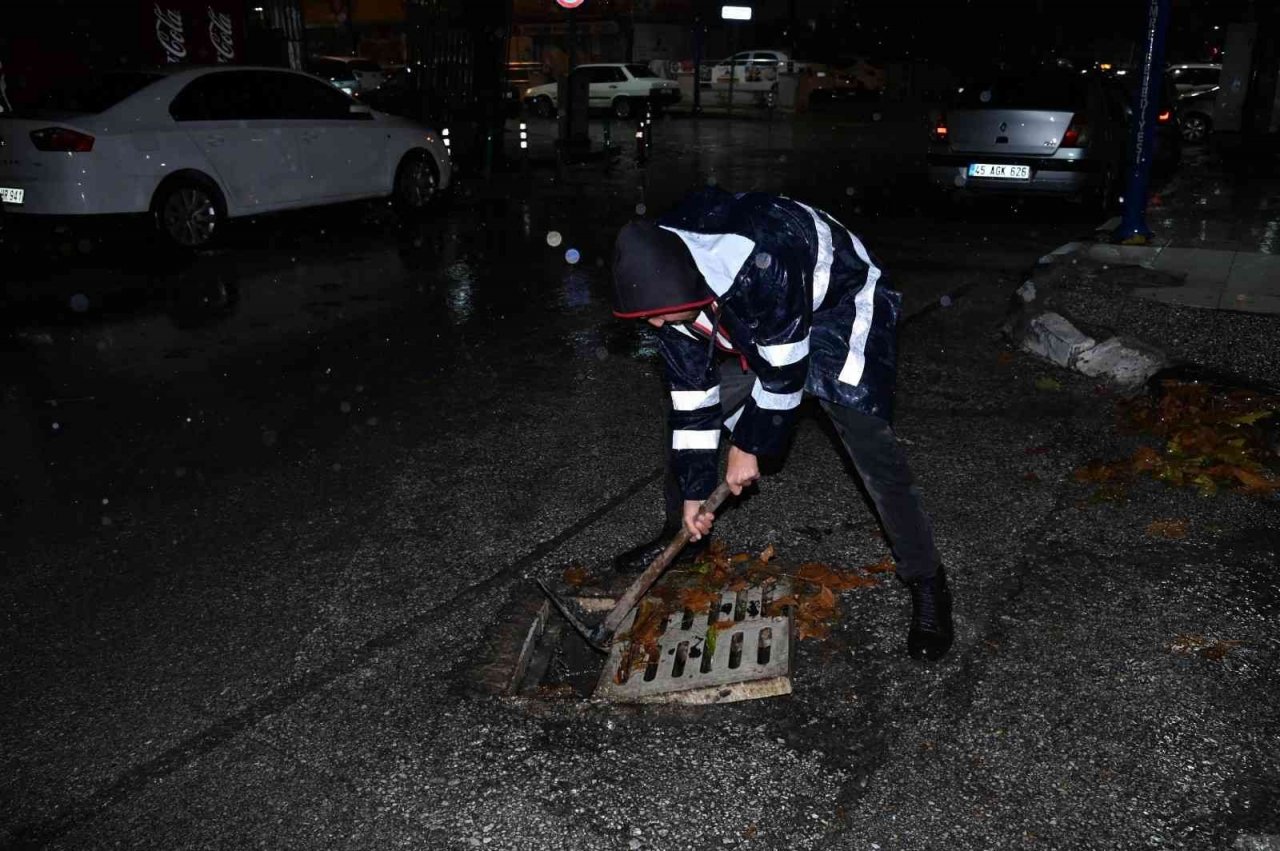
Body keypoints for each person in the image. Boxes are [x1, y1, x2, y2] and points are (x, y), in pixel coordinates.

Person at [610, 187, 953, 661]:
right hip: (751, 314)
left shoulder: (761, 259)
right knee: (689, 425)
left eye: (657, 316)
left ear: (690, 285)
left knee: (871, 446)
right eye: (646, 318)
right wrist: (695, 495)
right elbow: (693, 402)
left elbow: (785, 369)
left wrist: (749, 445)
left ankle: (927, 579)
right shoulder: (665, 284)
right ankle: (683, 536)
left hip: (838, 303)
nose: (653, 326)